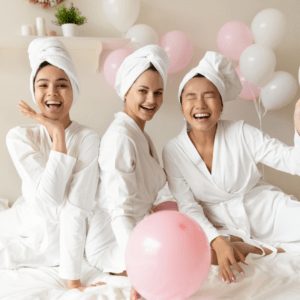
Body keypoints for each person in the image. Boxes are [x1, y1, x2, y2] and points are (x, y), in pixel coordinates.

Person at [162, 51, 300, 285]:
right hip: (220, 223)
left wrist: (298, 127)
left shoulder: (241, 132)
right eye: (191, 97)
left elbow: (293, 163)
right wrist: (216, 239)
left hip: (264, 210)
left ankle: (262, 249)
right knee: (203, 255)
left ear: (222, 103)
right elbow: (188, 206)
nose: (200, 105)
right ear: (182, 106)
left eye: (209, 96)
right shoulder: (173, 151)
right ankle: (257, 249)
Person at [0, 37, 104, 291]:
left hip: (64, 236)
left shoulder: (88, 138)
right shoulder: (19, 136)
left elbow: (74, 207)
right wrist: (58, 135)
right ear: (34, 92)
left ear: (74, 90)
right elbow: (50, 199)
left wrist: (73, 282)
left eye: (62, 85)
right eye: (42, 85)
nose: (52, 93)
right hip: (22, 223)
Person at [85, 45, 177, 300]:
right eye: (143, 91)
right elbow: (120, 212)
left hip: (141, 229)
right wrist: (139, 273)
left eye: (158, 93)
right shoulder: (120, 139)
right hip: (114, 242)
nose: (152, 100)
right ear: (126, 91)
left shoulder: (139, 134)